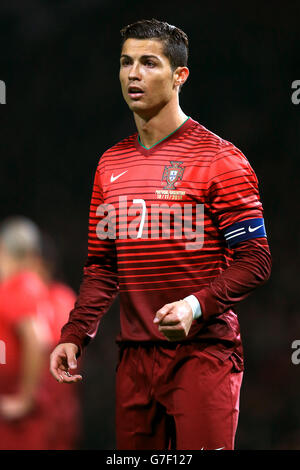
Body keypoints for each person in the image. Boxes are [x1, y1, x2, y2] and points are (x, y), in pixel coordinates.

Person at [50, 19, 272, 450]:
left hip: (203, 352)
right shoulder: (109, 164)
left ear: (179, 76)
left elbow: (255, 260)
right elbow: (102, 267)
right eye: (126, 62)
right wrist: (75, 334)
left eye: (148, 63)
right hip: (133, 359)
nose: (133, 74)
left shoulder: (218, 158)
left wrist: (194, 306)